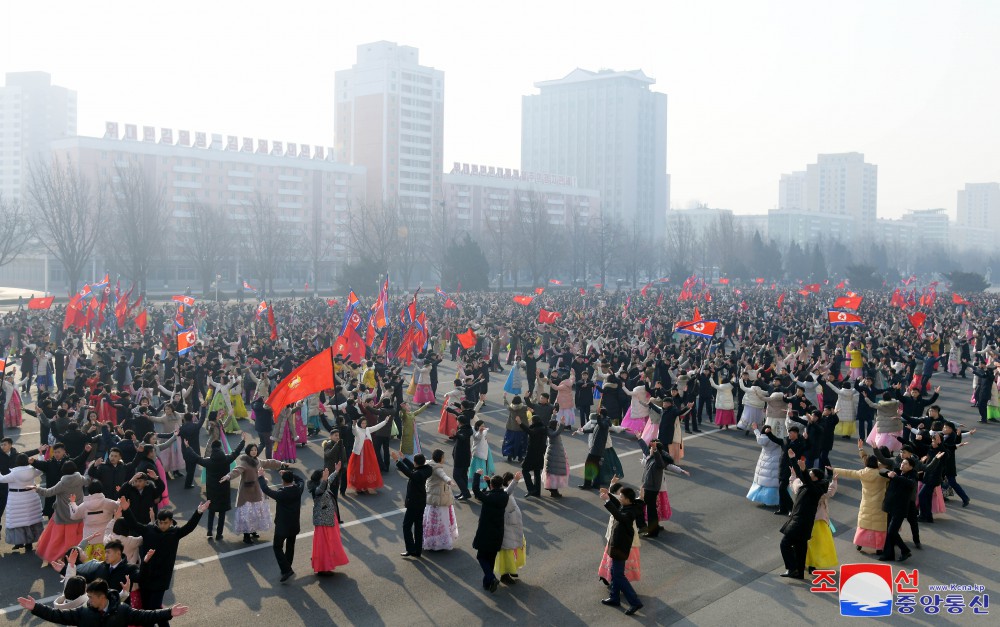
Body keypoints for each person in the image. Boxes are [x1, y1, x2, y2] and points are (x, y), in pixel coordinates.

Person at [120, 499, 209, 613]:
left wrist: (198, 512)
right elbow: (134, 524)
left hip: (162, 578)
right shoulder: (149, 530)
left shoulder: (175, 533)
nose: (162, 525)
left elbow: (189, 527)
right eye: (160, 522)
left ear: (171, 522)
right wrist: (126, 509)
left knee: (155, 609)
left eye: (165, 523)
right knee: (146, 610)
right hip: (146, 575)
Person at [18, 578, 189, 624]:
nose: (88, 600)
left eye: (91, 597)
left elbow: (146, 616)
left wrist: (168, 612)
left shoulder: (122, 610)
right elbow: (56, 615)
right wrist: (36, 607)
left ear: (102, 597)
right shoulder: (83, 612)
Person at [220, 440, 286, 544]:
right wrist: (228, 476)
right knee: (247, 514)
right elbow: (236, 470)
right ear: (248, 451)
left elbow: (269, 462)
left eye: (255, 450)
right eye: (252, 450)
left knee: (256, 513)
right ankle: (246, 536)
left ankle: (253, 531)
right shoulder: (245, 462)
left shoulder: (258, 461)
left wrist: (280, 463)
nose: (254, 451)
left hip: (257, 491)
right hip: (247, 493)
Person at [184, 434, 246, 540]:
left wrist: (188, 447)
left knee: (211, 511)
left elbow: (196, 457)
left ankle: (209, 532)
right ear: (221, 447)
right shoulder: (226, 459)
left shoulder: (208, 461)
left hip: (212, 490)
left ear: (212, 449)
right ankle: (219, 534)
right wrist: (243, 441)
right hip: (224, 490)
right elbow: (236, 452)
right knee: (222, 513)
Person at [778, 456, 830, 580]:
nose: (808, 475)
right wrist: (793, 459)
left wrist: (804, 470)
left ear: (816, 478)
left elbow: (805, 478)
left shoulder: (816, 489)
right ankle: (799, 572)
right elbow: (802, 477)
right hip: (802, 522)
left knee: (784, 544)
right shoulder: (811, 486)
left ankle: (792, 568)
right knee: (800, 547)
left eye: (811, 474)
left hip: (800, 522)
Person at [835, 442, 890, 554]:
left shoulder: (862, 473)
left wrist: (833, 470)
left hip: (866, 503)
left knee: (864, 525)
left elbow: (848, 472)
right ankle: (879, 547)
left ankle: (859, 544)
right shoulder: (882, 475)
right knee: (879, 527)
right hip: (880, 503)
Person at [33, 460, 89, 567]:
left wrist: (37, 488)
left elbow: (48, 492)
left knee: (57, 539)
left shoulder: (63, 483)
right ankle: (77, 556)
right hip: (78, 514)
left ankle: (56, 557)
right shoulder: (80, 479)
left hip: (63, 515)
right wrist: (92, 467)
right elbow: (88, 480)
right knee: (77, 537)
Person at [598, 485, 643, 616]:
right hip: (617, 545)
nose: (620, 498)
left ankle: (634, 602)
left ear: (628, 500)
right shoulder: (628, 506)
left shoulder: (629, 513)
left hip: (620, 547)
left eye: (622, 496)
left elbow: (619, 515)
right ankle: (614, 597)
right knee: (613, 571)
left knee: (618, 575)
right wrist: (609, 495)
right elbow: (618, 505)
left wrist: (607, 501)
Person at [258, 466, 304, 583]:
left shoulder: (281, 493)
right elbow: (301, 481)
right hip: (294, 525)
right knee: (290, 546)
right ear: (292, 480)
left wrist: (261, 477)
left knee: (277, 547)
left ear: (283, 481)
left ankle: (286, 569)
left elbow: (265, 489)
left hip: (282, 526)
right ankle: (287, 567)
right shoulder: (298, 490)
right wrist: (289, 474)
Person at [471, 470, 513, 593]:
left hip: (485, 532)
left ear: (492, 486)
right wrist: (490, 481)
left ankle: (491, 578)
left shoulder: (488, 498)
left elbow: (476, 490)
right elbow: (496, 490)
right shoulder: (504, 496)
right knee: (491, 559)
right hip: (498, 532)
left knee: (481, 557)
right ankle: (487, 583)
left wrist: (477, 475)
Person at [307, 465, 349, 575]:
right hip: (323, 522)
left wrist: (336, 471)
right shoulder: (317, 489)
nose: (325, 478)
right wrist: (325, 479)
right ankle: (323, 567)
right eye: (323, 476)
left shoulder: (324, 484)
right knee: (324, 545)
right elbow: (320, 489)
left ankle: (325, 564)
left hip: (329, 519)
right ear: (319, 479)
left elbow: (328, 480)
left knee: (330, 543)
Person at [392, 450, 434, 558]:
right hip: (421, 502)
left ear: (416, 462)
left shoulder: (417, 474)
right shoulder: (426, 469)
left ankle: (411, 549)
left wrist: (397, 460)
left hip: (413, 504)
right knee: (418, 527)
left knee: (406, 526)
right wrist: (404, 459)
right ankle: (417, 550)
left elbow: (409, 473)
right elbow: (414, 469)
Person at [0, 452, 44, 551]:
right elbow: (41, 469)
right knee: (31, 520)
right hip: (31, 497)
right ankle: (29, 543)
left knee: (18, 522)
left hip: (16, 498)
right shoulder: (32, 470)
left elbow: (1, 479)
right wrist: (40, 456)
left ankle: (19, 542)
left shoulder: (14, 473)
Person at [879, 458, 917, 562]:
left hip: (900, 509)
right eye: (902, 463)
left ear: (910, 467)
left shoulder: (912, 476)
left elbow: (911, 484)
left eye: (905, 464)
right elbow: (881, 471)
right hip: (890, 505)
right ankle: (889, 555)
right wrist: (888, 472)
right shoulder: (896, 470)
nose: (902, 465)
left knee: (892, 531)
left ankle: (905, 550)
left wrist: (895, 477)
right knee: (889, 531)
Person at [422, 449, 458, 551]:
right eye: (443, 457)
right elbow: (444, 476)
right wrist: (450, 482)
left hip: (431, 498)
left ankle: (430, 542)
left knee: (430, 521)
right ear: (440, 458)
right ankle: (439, 543)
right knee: (441, 521)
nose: (444, 459)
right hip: (439, 499)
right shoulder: (437, 468)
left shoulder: (429, 464)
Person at [495, 472, 526, 584]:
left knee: (512, 551)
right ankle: (505, 575)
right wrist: (516, 480)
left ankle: (511, 570)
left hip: (511, 528)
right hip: (509, 529)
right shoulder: (504, 493)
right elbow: (509, 491)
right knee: (507, 552)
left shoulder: (499, 493)